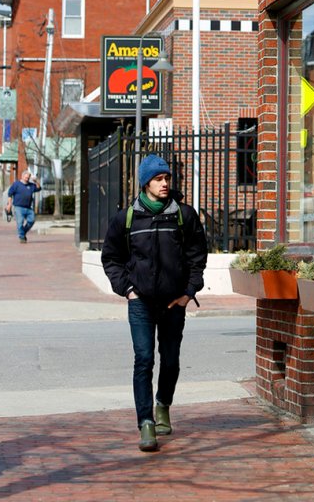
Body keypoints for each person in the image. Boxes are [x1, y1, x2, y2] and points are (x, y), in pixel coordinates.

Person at [101, 154, 207, 453]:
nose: (164, 184)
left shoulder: (184, 215)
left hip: (175, 302)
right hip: (141, 302)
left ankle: (163, 405)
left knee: (170, 361)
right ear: (146, 182)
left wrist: (188, 292)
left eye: (167, 179)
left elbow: (197, 257)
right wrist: (128, 289)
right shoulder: (127, 218)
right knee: (144, 359)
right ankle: (146, 422)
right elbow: (111, 258)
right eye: (159, 179)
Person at [5, 168, 41, 243]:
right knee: (20, 223)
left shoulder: (31, 185)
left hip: (28, 207)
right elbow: (10, 194)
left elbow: (39, 188)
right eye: (26, 177)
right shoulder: (16, 184)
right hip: (19, 207)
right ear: (22, 176)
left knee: (32, 220)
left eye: (28, 177)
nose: (27, 179)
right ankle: (22, 237)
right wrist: (9, 205)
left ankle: (23, 232)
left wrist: (36, 181)